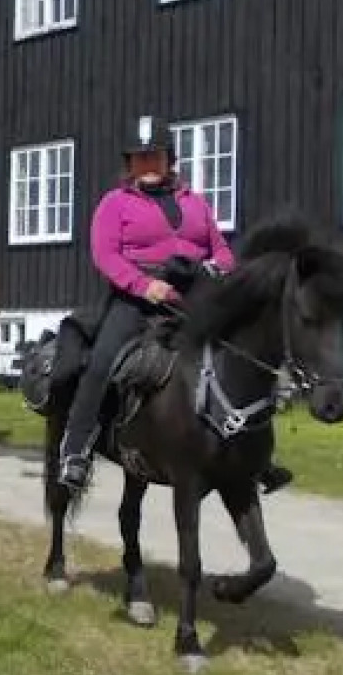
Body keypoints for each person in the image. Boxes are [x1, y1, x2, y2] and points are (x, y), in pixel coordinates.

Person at [53, 120, 294, 496]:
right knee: (102, 362)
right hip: (137, 300)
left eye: (155, 156)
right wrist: (144, 284)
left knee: (241, 354)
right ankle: (76, 451)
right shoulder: (114, 203)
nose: (148, 163)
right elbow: (105, 255)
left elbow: (223, 251)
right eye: (140, 157)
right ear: (129, 163)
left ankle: (256, 456)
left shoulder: (195, 202)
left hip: (195, 297)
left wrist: (210, 271)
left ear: (169, 159)